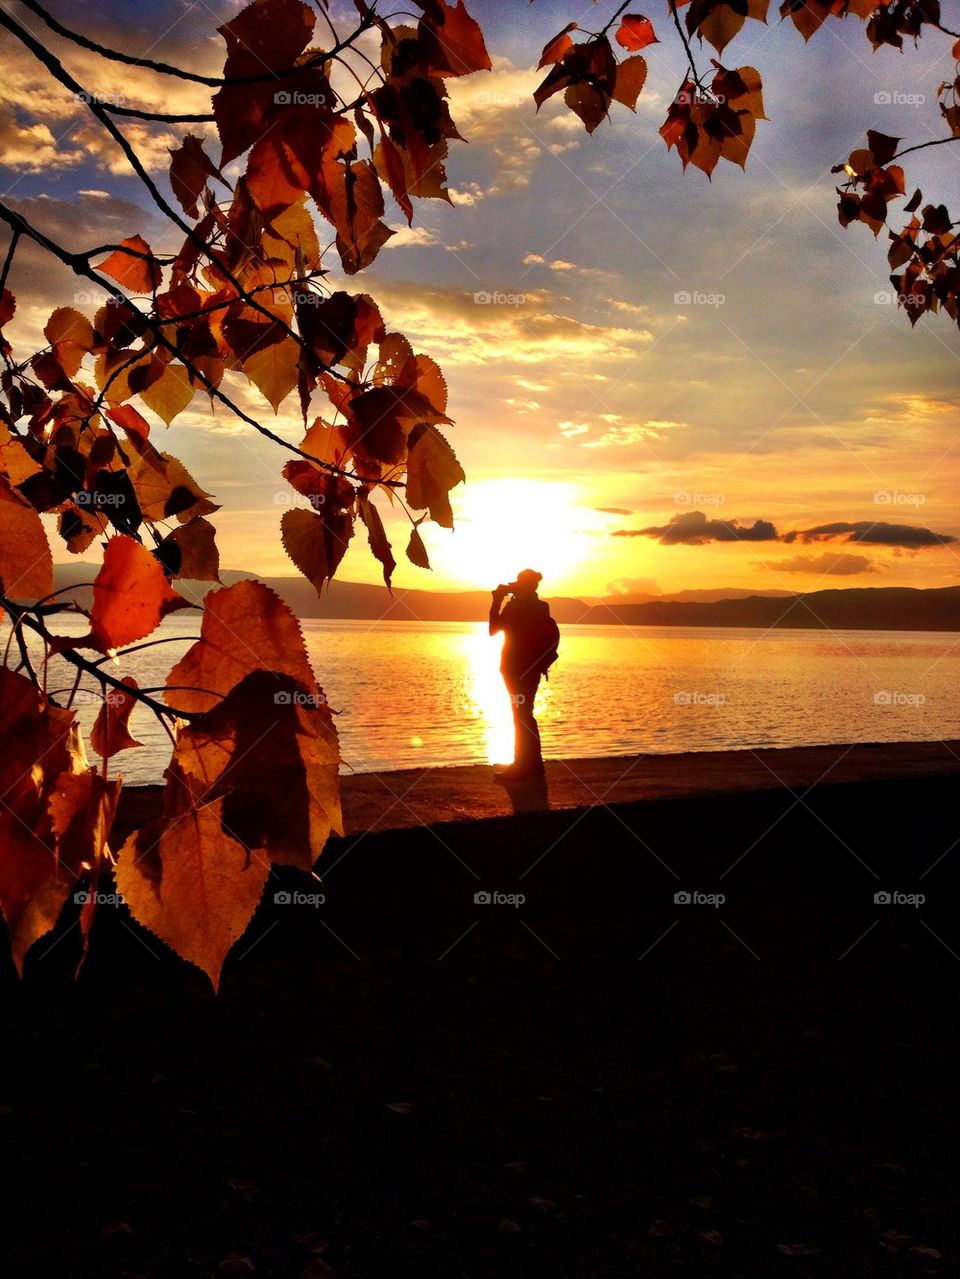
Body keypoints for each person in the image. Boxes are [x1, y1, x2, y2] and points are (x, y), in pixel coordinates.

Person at [488, 569, 559, 779]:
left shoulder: (515, 608)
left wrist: (496, 601)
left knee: (520, 713)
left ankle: (523, 766)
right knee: (524, 712)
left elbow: (493, 630)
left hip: (514, 669)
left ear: (524, 586)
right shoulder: (542, 607)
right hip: (532, 669)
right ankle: (531, 764)